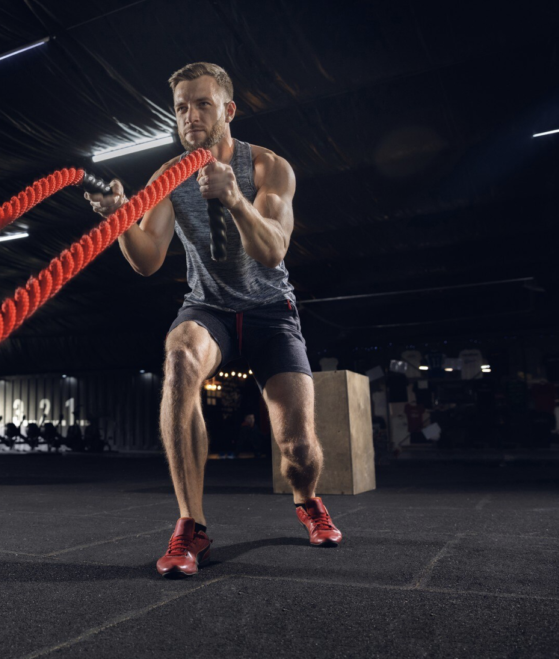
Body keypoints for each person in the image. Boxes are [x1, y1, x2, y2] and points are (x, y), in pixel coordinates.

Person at [85, 62, 342, 578]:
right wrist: (117, 219)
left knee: (298, 450)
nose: (190, 116)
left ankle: (308, 500)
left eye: (202, 104)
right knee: (179, 354)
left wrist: (233, 198)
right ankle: (191, 524)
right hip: (210, 308)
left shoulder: (270, 168)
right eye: (181, 107)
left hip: (271, 311)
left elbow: (272, 251)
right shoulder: (168, 178)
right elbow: (148, 259)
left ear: (228, 110)